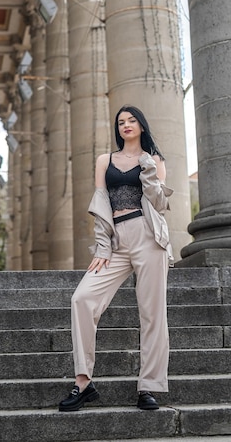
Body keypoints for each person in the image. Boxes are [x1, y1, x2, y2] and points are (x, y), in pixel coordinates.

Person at [59, 104, 174, 413]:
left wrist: (149, 170)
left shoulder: (155, 161)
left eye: (132, 120)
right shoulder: (104, 161)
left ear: (141, 125)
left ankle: (148, 386)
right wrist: (102, 246)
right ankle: (83, 382)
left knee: (152, 314)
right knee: (82, 299)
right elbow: (100, 203)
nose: (126, 125)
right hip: (115, 239)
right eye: (121, 121)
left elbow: (160, 204)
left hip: (149, 238)